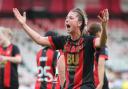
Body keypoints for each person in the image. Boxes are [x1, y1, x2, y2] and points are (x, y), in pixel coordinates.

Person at [13, 8, 109, 89]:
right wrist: (23, 25)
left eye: (71, 18)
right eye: (66, 18)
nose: (66, 20)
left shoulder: (89, 40)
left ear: (79, 23)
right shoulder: (63, 41)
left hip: (86, 86)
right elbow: (39, 39)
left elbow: (102, 42)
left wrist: (104, 27)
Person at [87, 23, 109, 89]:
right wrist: (101, 82)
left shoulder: (85, 43)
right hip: (98, 79)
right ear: (98, 33)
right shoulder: (102, 45)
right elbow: (100, 64)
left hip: (87, 80)